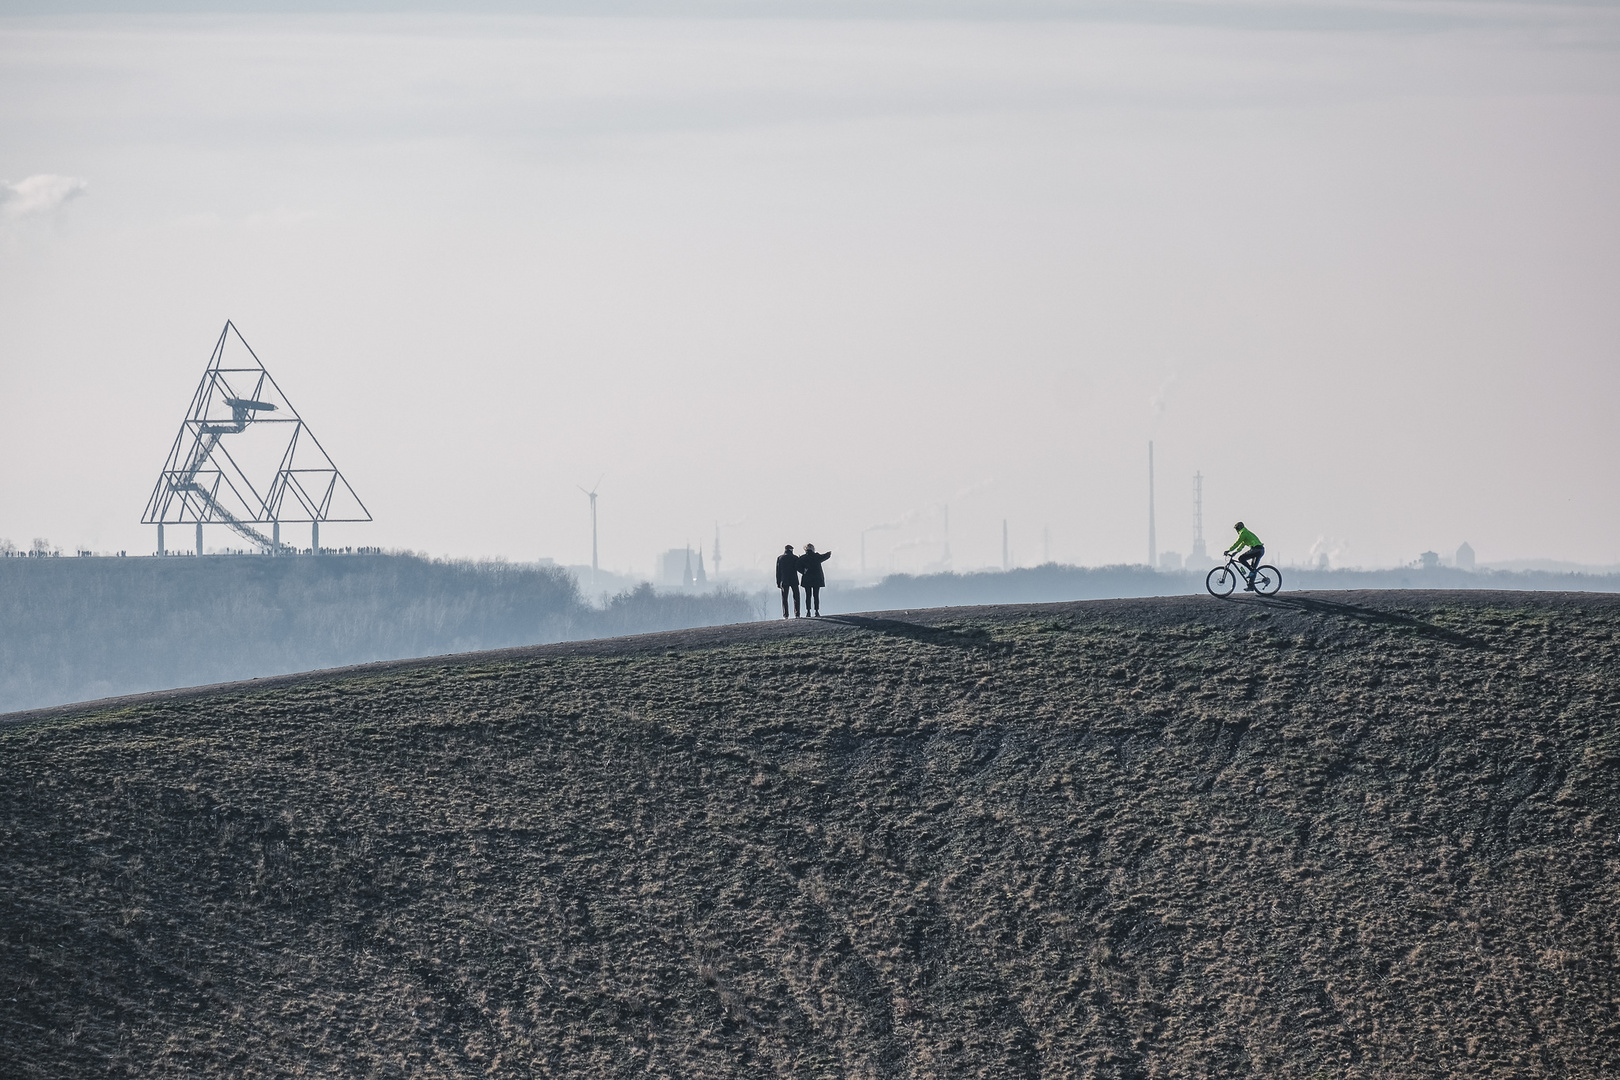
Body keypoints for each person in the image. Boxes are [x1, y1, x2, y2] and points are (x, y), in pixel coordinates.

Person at [1225, 522, 1264, 589]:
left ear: (1239, 528)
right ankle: (1251, 586)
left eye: (1236, 529)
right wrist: (1235, 552)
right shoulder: (1246, 533)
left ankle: (1252, 571)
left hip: (1257, 549)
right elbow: (1241, 545)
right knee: (1253, 568)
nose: (1236, 531)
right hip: (1259, 550)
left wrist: (1229, 550)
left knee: (1241, 558)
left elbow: (1237, 543)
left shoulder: (1243, 533)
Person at [799, 543, 832, 617]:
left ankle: (808, 611)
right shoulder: (816, 556)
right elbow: (825, 556)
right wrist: (829, 553)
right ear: (813, 549)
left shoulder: (803, 558)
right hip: (817, 579)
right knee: (816, 595)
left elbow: (797, 566)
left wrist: (803, 571)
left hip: (807, 579)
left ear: (805, 549)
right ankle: (816, 611)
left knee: (808, 595)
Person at [775, 544, 802, 618]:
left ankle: (785, 615)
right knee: (796, 597)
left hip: (784, 580)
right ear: (791, 550)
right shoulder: (795, 558)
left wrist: (778, 582)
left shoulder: (780, 558)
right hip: (794, 579)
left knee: (784, 598)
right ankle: (797, 614)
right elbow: (799, 568)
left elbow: (778, 572)